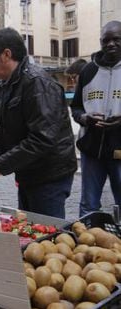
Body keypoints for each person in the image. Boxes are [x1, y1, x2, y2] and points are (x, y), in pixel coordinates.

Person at [0, 27, 77, 219]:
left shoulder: (37, 83)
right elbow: (1, 131)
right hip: (28, 172)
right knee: (30, 227)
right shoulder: (4, 85)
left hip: (50, 175)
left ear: (6, 54)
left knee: (47, 233)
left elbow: (41, 139)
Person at [71, 21, 121, 217]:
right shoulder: (88, 71)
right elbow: (75, 106)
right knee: (88, 205)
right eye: (105, 40)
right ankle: (87, 242)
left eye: (116, 39)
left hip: (119, 149)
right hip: (91, 148)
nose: (110, 44)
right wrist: (85, 118)